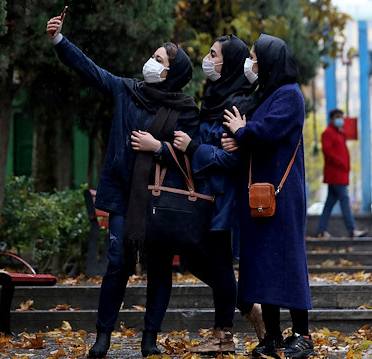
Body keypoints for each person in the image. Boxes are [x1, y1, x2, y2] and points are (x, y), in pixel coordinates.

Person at [46, 12, 199, 358]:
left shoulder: (186, 110)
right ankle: (103, 336)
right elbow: (90, 69)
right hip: (123, 197)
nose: (151, 62)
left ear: (172, 73)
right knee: (117, 262)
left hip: (160, 202)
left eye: (158, 60)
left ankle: (150, 339)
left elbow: (191, 155)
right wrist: (59, 40)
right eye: (154, 56)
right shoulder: (127, 90)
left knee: (160, 269)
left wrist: (156, 148)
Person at [136, 35, 265, 354]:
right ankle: (246, 307)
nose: (207, 59)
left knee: (217, 263)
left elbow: (233, 158)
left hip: (222, 199)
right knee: (197, 259)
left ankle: (225, 332)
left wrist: (195, 147)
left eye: (214, 54)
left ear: (229, 62)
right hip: (205, 196)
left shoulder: (238, 104)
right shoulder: (215, 97)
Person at [223, 34, 315, 359]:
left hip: (282, 196)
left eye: (255, 57)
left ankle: (303, 335)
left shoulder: (289, 95)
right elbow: (253, 135)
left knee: (287, 261)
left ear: (271, 61)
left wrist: (241, 132)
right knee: (263, 265)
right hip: (260, 196)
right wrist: (240, 136)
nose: (252, 63)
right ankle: (274, 337)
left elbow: (266, 131)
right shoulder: (268, 94)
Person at [316, 108, 367, 238]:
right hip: (335, 174)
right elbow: (327, 152)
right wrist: (341, 163)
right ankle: (351, 229)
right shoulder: (328, 133)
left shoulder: (340, 133)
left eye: (341, 117)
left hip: (340, 174)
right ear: (332, 119)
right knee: (344, 200)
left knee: (329, 203)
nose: (340, 120)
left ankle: (321, 231)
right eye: (338, 117)